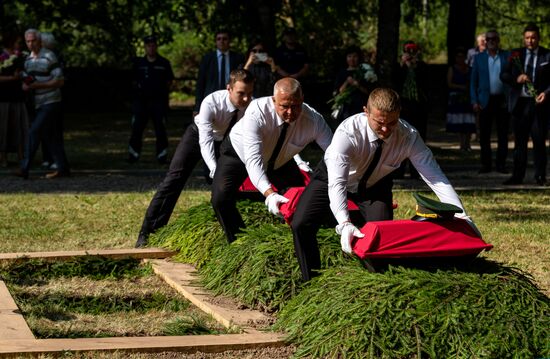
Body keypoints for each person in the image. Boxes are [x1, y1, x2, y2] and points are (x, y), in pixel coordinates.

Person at [290, 88, 478, 281]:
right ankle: (310, 280)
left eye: (392, 122)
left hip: (375, 186)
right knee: (301, 223)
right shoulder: (348, 133)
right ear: (366, 112)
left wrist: (461, 214)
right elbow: (337, 183)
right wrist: (345, 223)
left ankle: (375, 283)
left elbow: (435, 177)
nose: (386, 130)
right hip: (331, 178)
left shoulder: (409, 136)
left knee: (382, 237)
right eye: (380, 123)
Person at [135, 69, 255, 247]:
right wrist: (214, 168)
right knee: (173, 180)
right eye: (241, 94)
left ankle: (232, 231)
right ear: (229, 89)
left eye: (250, 94)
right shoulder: (211, 102)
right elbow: (205, 141)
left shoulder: (252, 106)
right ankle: (148, 234)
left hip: (225, 141)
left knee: (226, 186)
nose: (246, 99)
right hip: (197, 136)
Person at [211, 77, 333, 243]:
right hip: (239, 153)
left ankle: (303, 237)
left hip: (281, 160)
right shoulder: (257, 111)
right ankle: (239, 241)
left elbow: (335, 154)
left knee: (300, 198)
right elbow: (253, 160)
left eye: (296, 106)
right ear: (274, 100)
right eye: (284, 106)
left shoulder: (314, 120)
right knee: (220, 198)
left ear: (302, 100)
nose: (290, 112)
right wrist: (269, 193)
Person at [16, 28, 69, 179]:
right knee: (51, 136)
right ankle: (63, 168)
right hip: (37, 103)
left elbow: (59, 80)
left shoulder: (49, 56)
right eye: (28, 41)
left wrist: (37, 86)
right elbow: (29, 81)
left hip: (51, 101)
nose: (31, 44)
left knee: (33, 131)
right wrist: (26, 85)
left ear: (39, 41)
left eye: (33, 40)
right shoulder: (28, 60)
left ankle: (24, 167)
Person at [500, 23, 550, 186]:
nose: (530, 41)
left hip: (539, 104)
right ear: (524, 38)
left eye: (533, 37)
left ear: (538, 38)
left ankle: (540, 176)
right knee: (519, 142)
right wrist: (517, 79)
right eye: (527, 38)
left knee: (539, 140)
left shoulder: (547, 55)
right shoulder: (516, 54)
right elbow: (503, 75)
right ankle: (517, 176)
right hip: (520, 104)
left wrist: (546, 93)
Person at [128, 35, 174, 164]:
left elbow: (169, 81)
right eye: (148, 45)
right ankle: (133, 154)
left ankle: (162, 155)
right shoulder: (138, 63)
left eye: (153, 45)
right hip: (141, 102)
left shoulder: (164, 63)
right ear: (145, 47)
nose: (151, 48)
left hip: (158, 102)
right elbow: (132, 81)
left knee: (160, 129)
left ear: (156, 46)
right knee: (137, 128)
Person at [470, 30, 510, 174]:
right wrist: (474, 101)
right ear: (485, 41)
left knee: (503, 134)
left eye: (494, 38)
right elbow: (473, 82)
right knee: (485, 135)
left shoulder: (507, 56)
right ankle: (486, 165)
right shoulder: (479, 58)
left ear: (498, 40)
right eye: (488, 39)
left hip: (502, 100)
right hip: (485, 101)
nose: (491, 41)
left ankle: (501, 165)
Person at [394, 40, 429, 179]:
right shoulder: (399, 67)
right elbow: (395, 82)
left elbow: (426, 84)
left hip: (419, 108)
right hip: (403, 108)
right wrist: (403, 66)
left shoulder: (423, 67)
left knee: (418, 139)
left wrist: (415, 66)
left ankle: (417, 171)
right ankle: (399, 170)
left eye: (413, 52)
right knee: (400, 139)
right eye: (408, 51)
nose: (410, 54)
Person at [194, 30, 245, 115]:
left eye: (225, 39)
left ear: (229, 41)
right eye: (219, 39)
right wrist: (197, 107)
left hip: (231, 98)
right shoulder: (207, 58)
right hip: (211, 99)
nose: (222, 41)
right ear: (216, 41)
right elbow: (200, 83)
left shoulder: (238, 58)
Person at [0, 31, 28, 167]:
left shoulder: (21, 57)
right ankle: (3, 157)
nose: (20, 44)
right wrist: (12, 78)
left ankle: (21, 155)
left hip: (18, 97)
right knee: (3, 128)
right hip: (3, 98)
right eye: (18, 42)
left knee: (19, 127)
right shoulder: (2, 56)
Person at [332, 45, 376, 124]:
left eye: (355, 56)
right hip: (346, 108)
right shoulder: (342, 73)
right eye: (349, 56)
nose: (352, 59)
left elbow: (370, 92)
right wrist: (347, 82)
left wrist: (357, 85)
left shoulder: (365, 71)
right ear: (346, 58)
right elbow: (338, 92)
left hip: (362, 107)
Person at [445, 47, 476, 152]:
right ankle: (462, 144)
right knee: (459, 122)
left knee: (469, 121)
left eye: (462, 56)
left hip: (468, 97)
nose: (460, 59)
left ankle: (468, 144)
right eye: (458, 57)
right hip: (456, 98)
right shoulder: (452, 69)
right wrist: (460, 87)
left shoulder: (470, 69)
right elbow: (449, 83)